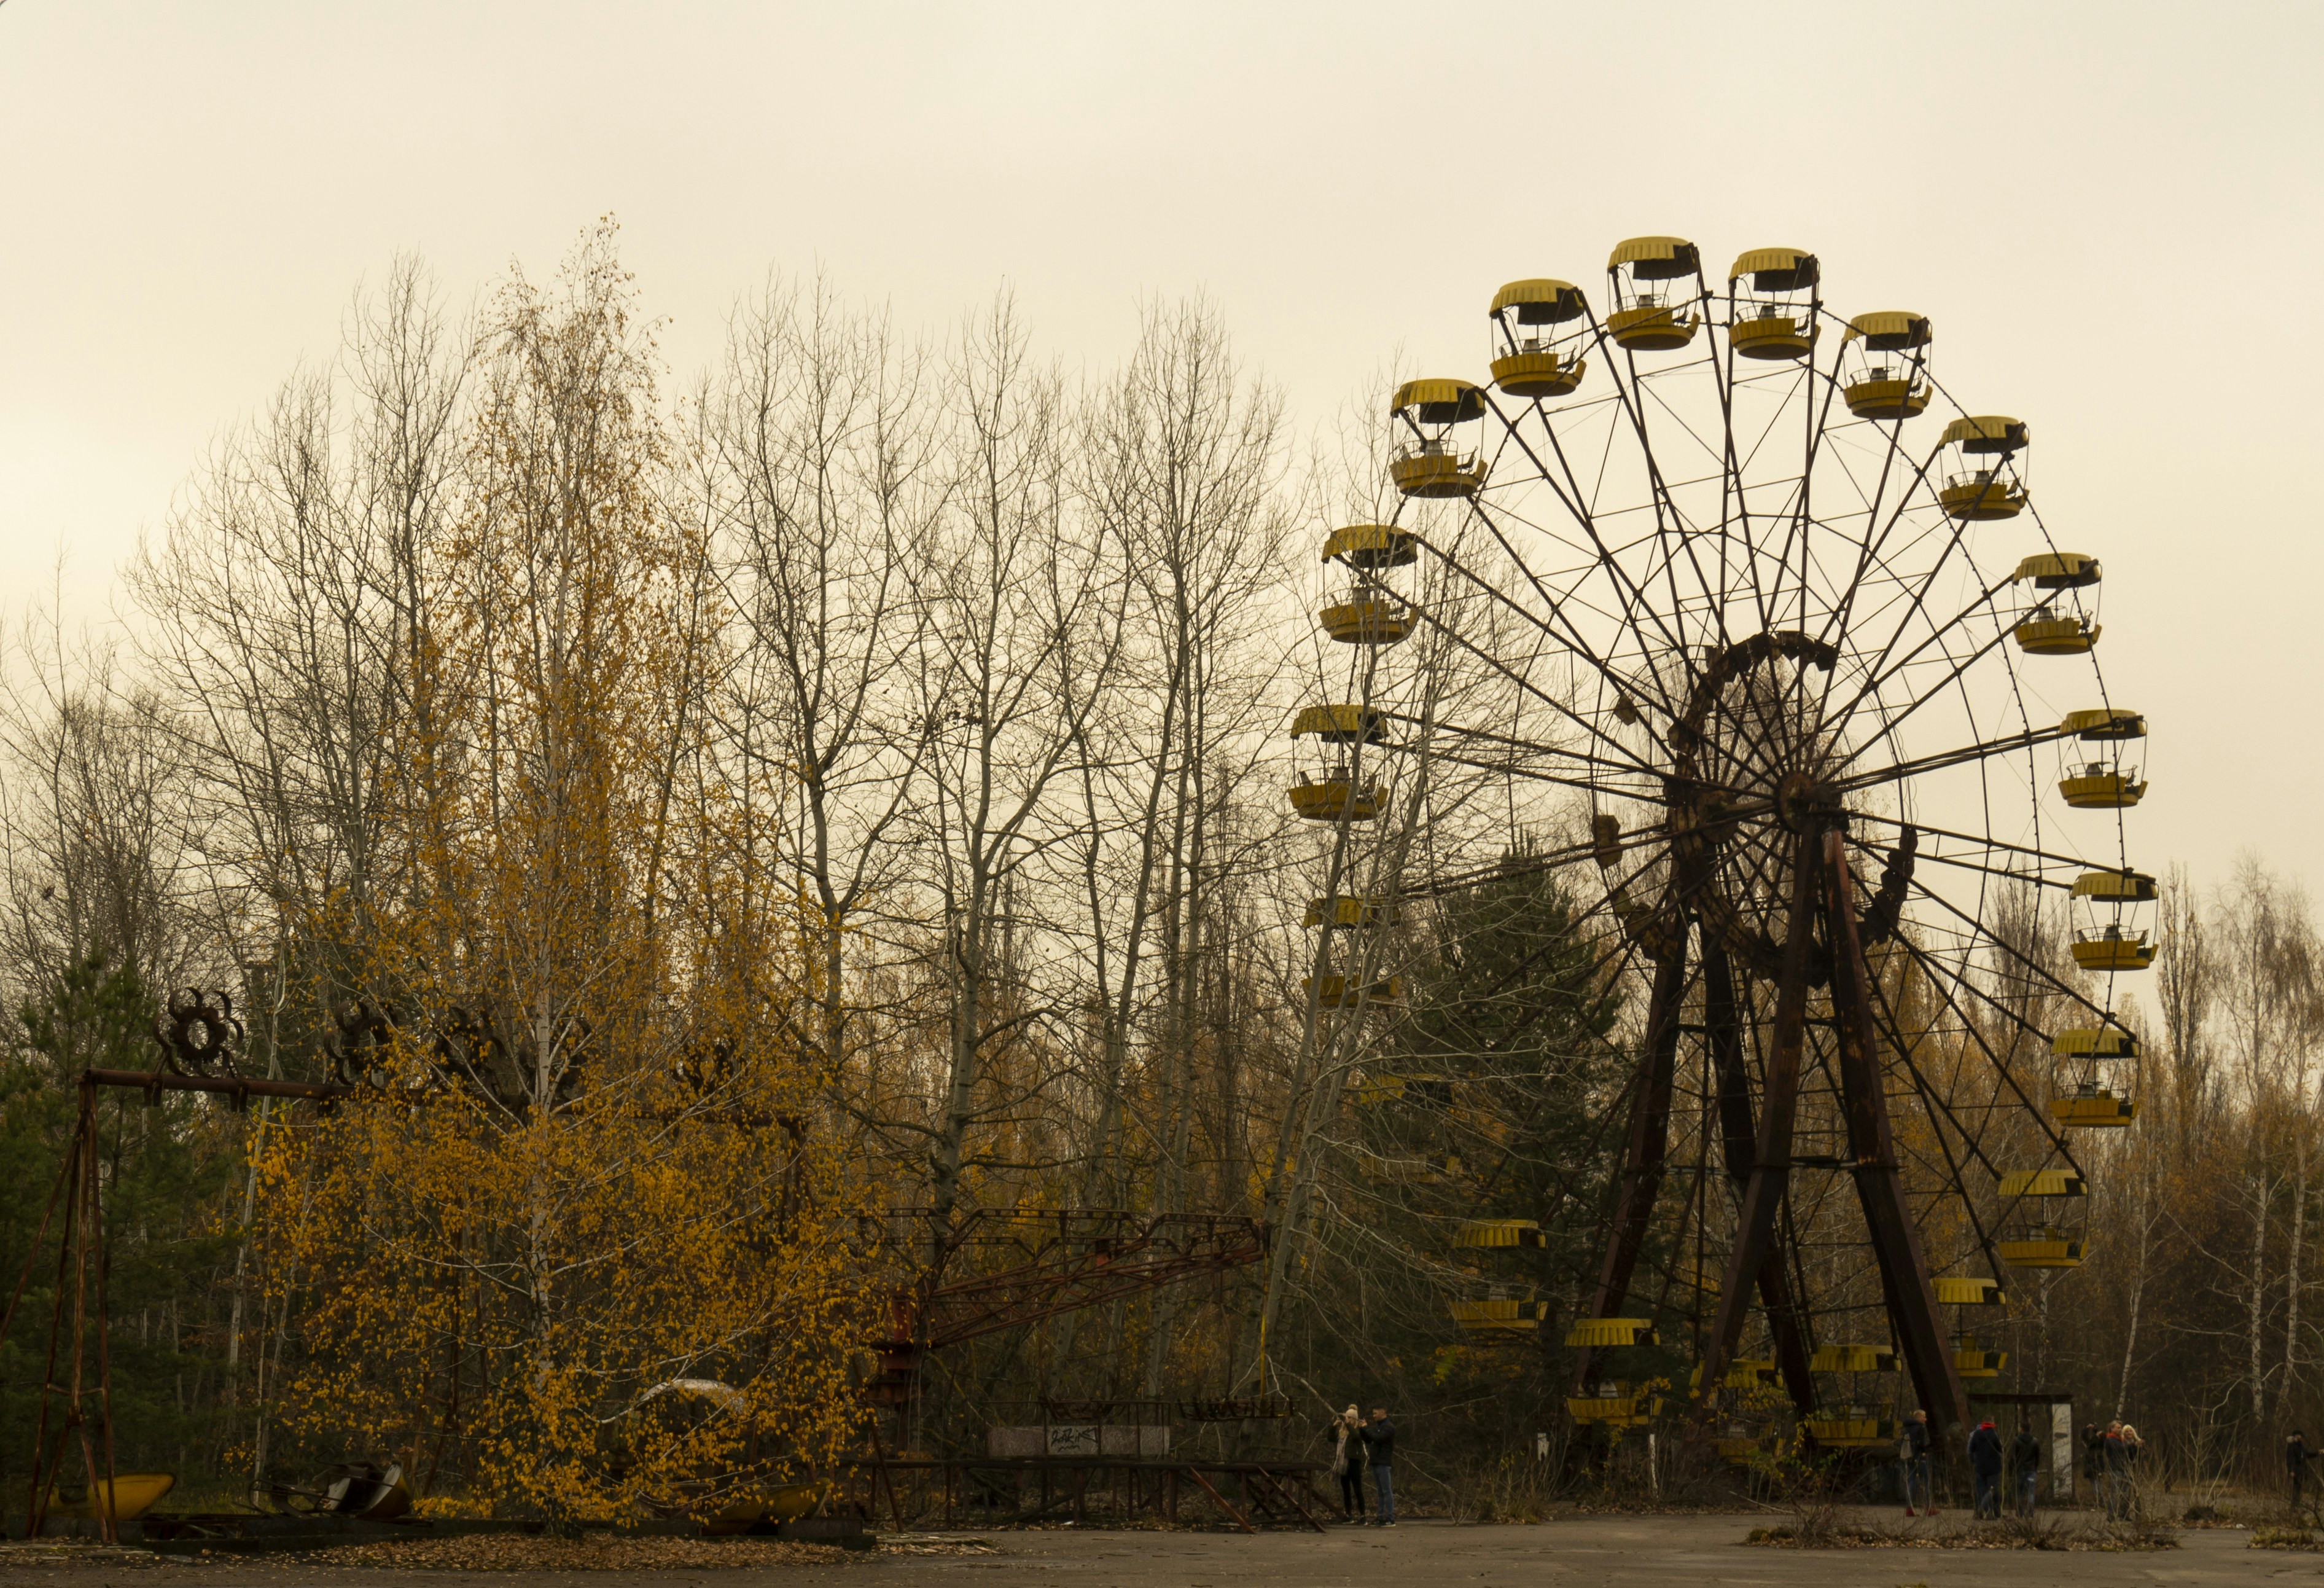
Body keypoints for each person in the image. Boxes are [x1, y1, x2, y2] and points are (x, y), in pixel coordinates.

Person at [1359, 1406, 1395, 1526]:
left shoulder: (1389, 1427)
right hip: (1375, 1461)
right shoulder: (1378, 1427)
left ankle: (1390, 1518)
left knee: (1386, 1490)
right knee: (1380, 1491)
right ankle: (1380, 1517)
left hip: (1383, 1462)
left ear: (1382, 1412)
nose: (1374, 1416)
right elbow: (1369, 1440)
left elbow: (1378, 1439)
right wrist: (1362, 1429)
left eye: (1375, 1413)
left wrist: (1367, 1428)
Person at [1328, 1406, 1365, 1522]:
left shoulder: (1358, 1430)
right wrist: (1334, 1426)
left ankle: (1363, 1515)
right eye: (1346, 1417)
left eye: (1349, 1418)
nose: (1347, 1419)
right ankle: (1348, 1514)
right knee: (1346, 1490)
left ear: (1354, 1419)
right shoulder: (1343, 1432)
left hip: (1354, 1463)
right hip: (1343, 1464)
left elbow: (1356, 1437)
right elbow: (1330, 1438)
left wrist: (1348, 1423)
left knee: (1358, 1490)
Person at [1967, 1419, 2003, 1519]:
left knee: (1982, 1490)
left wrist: (1974, 1461)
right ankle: (1983, 1508)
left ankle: (1988, 1513)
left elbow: (1971, 1449)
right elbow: (2000, 1449)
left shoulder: (1976, 1435)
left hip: (1980, 1467)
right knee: (1992, 1489)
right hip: (1993, 1468)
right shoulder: (1994, 1435)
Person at [1901, 1409, 1934, 1516]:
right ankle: (1928, 1508)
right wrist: (1926, 1450)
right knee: (1926, 1482)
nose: (1925, 1419)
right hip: (1920, 1458)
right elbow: (1921, 1444)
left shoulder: (1907, 1428)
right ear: (1919, 1417)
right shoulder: (1920, 1428)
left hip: (1910, 1458)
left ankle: (1909, 1509)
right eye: (1924, 1417)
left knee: (1911, 1482)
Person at [2010, 1422, 2042, 1516]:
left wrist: (2010, 1471)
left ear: (2021, 1429)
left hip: (2020, 1470)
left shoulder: (2016, 1441)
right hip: (2031, 1470)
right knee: (2031, 1491)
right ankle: (2030, 1511)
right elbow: (2038, 1457)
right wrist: (2035, 1468)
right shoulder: (2035, 1441)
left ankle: (2020, 1511)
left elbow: (2012, 1458)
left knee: (2019, 1491)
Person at [2102, 1420, 2129, 1519]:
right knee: (2115, 1492)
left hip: (2123, 1468)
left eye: (2120, 1428)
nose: (2120, 1429)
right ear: (2112, 1429)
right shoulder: (2110, 1440)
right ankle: (2111, 1514)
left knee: (2125, 1493)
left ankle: (2123, 1514)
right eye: (2118, 1428)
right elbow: (2121, 1449)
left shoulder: (2119, 1440)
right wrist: (2124, 1440)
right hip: (2115, 1469)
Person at [2290, 1430, 2310, 1508]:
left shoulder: (2301, 1447)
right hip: (2296, 1470)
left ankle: (2296, 1505)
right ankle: (2294, 1506)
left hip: (2301, 1470)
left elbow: (2307, 1455)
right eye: (2299, 1435)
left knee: (2298, 1487)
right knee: (2296, 1488)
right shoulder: (2292, 1446)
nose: (2300, 1437)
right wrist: (2291, 1470)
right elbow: (2290, 1459)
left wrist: (2318, 1453)